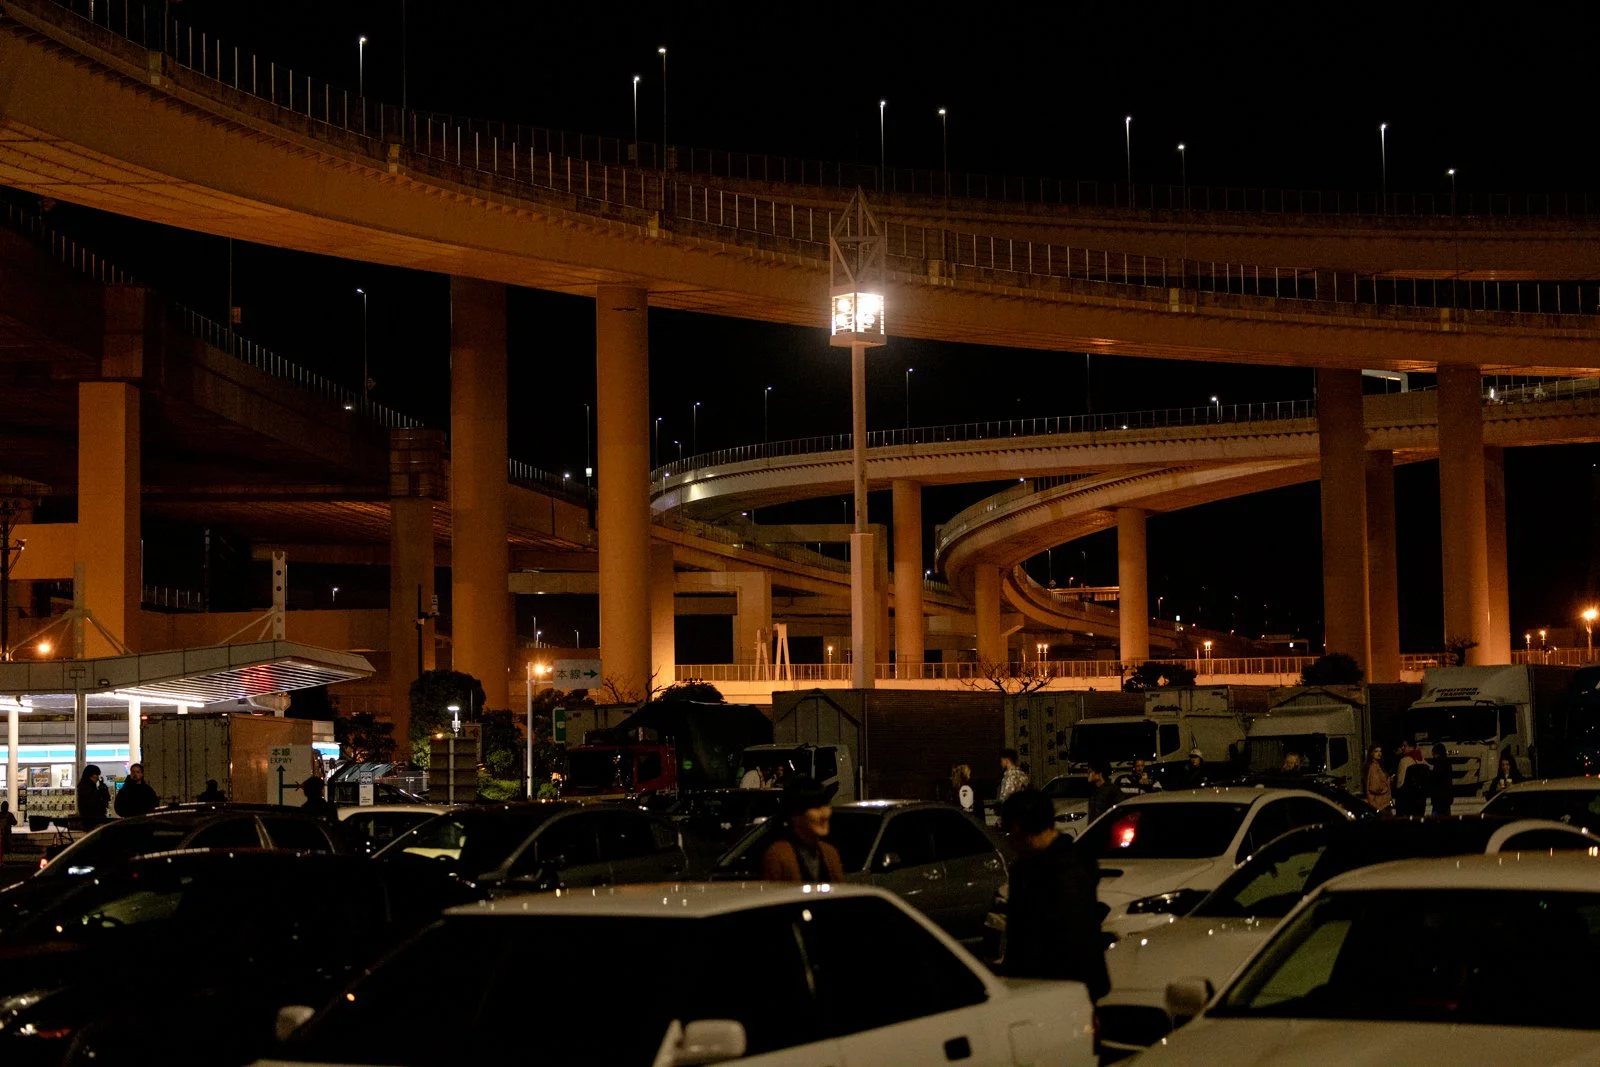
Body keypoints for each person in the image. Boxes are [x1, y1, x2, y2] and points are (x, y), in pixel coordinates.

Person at [995, 788, 1110, 1001]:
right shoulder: (1028, 867)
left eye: (1013, 834)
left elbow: (1073, 942)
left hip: (1062, 992)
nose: (1011, 843)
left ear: (1024, 829)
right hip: (1038, 990)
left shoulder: (1067, 871)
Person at [760, 775, 844, 882]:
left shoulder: (830, 853)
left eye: (825, 805)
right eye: (816, 807)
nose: (825, 814)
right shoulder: (779, 855)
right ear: (795, 815)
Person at [1363, 745, 1393, 813]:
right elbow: (1374, 787)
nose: (1379, 753)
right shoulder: (1374, 767)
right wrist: (1386, 786)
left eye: (1380, 751)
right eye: (1376, 751)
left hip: (1381, 803)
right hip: (1379, 804)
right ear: (1371, 753)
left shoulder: (1377, 765)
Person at [1428, 744, 1454, 816]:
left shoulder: (1438, 763)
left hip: (1439, 798)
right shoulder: (1447, 763)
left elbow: (1434, 778)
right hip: (1446, 798)